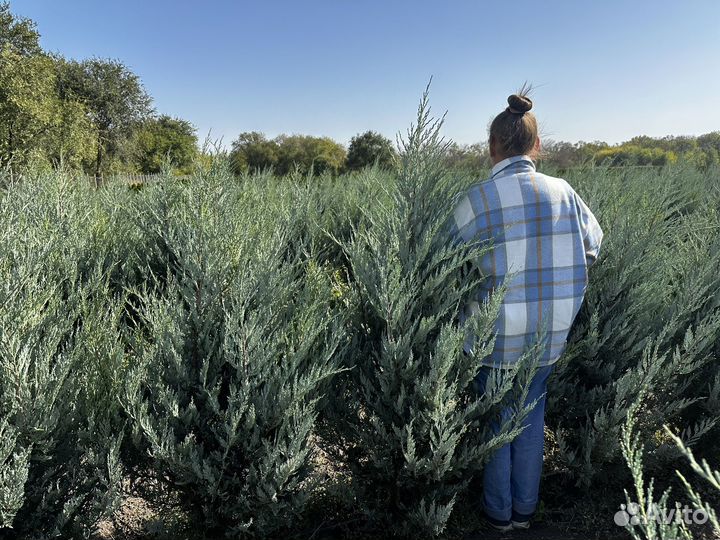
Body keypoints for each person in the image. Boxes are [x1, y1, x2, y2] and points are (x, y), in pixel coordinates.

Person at [448, 89, 603, 531]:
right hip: (549, 335)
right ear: (537, 147)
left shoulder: (474, 200)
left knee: (497, 419)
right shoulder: (565, 193)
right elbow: (592, 247)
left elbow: (444, 268)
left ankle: (499, 517)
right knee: (531, 413)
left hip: (492, 338)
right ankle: (525, 512)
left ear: (492, 147)